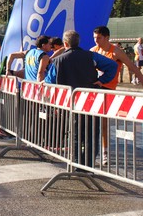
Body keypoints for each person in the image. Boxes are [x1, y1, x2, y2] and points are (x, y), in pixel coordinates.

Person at [45, 30, 117, 168]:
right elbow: (112, 66)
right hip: (90, 100)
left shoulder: (57, 61)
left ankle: (76, 164)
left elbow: (50, 81)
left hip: (69, 102)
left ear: (65, 44)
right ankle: (88, 165)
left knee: (76, 134)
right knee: (91, 133)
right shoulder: (91, 56)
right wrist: (102, 81)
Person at [90, 26, 143, 164]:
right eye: (94, 38)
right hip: (93, 90)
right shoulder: (93, 51)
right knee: (91, 122)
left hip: (108, 90)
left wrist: (142, 81)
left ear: (107, 38)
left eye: (99, 38)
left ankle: (105, 151)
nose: (96, 41)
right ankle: (89, 150)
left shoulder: (116, 52)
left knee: (104, 122)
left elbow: (131, 66)